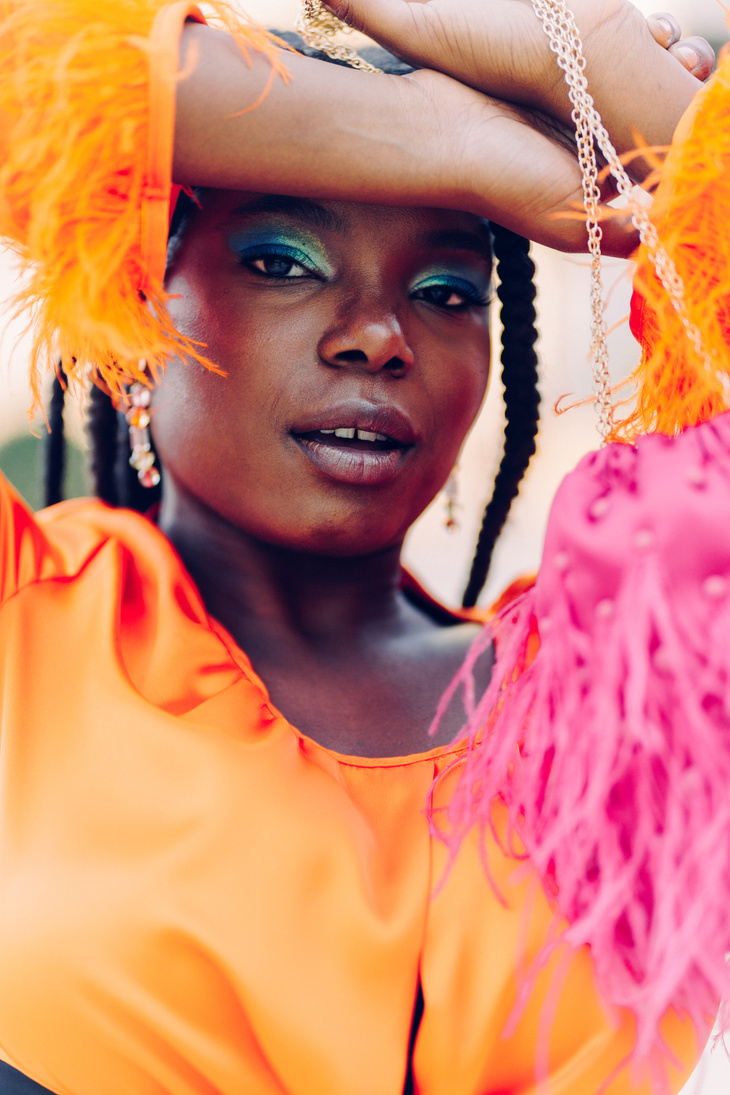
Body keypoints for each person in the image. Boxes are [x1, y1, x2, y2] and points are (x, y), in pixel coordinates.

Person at [0, 1, 721, 1093]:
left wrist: (597, 59)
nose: (378, 336)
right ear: (146, 295)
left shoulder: (620, 697)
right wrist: (436, 144)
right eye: (282, 261)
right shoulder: (25, 619)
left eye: (445, 291)